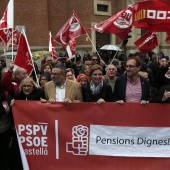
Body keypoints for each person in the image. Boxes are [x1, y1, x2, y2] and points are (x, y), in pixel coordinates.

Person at [0, 80, 13, 170]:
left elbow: (8, 112)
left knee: (5, 153)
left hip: (5, 131)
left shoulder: (6, 97)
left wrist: (12, 106)